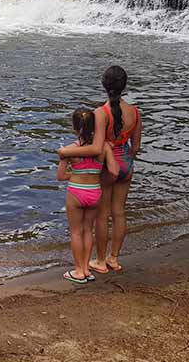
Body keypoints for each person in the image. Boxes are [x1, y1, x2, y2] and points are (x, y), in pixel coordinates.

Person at [58, 66, 142, 273]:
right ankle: (115, 258)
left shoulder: (101, 113)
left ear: (104, 86)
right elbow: (136, 147)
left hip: (107, 166)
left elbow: (96, 147)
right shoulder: (135, 112)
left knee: (102, 215)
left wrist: (65, 152)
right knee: (119, 212)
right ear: (124, 86)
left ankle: (101, 261)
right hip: (126, 164)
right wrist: (126, 160)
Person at [57, 108, 119, 284]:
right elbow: (114, 171)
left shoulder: (69, 150)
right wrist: (96, 175)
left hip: (76, 192)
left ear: (75, 128)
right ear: (94, 127)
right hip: (94, 192)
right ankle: (86, 268)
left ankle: (78, 271)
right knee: (87, 230)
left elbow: (60, 176)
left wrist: (76, 175)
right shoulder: (104, 147)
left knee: (76, 232)